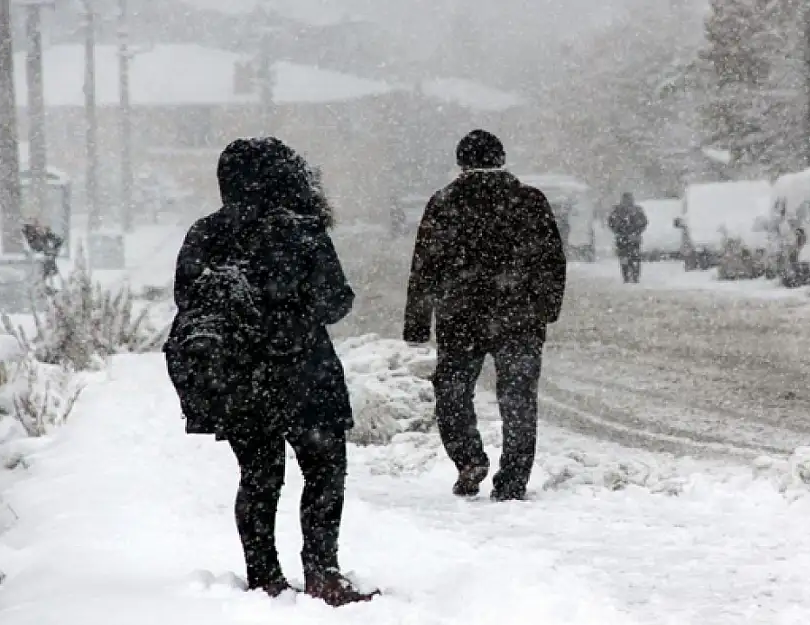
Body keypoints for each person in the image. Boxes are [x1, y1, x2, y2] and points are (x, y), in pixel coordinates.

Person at [167, 137, 375, 607]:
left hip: (238, 382)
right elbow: (335, 301)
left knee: (259, 477)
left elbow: (186, 298)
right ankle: (322, 572)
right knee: (324, 473)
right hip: (305, 375)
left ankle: (263, 576)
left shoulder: (205, 232)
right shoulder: (301, 231)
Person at [403, 129, 567, 502]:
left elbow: (424, 266)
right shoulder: (529, 200)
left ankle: (468, 458)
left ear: (462, 163)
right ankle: (512, 481)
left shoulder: (444, 202)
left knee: (452, 392)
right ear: (501, 160)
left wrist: (417, 322)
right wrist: (546, 307)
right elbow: (552, 260)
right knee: (518, 398)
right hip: (519, 316)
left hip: (460, 316)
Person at [607, 192, 648, 283]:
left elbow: (644, 222)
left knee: (630, 258)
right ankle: (631, 275)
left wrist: (619, 231)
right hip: (627, 238)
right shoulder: (621, 210)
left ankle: (631, 276)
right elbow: (611, 223)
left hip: (627, 238)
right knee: (629, 258)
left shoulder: (632, 210)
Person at [22, 217, 62, 281]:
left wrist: (53, 251)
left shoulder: (41, 235)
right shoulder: (32, 236)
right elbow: (37, 247)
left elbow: (58, 241)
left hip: (46, 263)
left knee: (49, 277)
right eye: (35, 225)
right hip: (40, 263)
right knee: (43, 278)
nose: (38, 227)